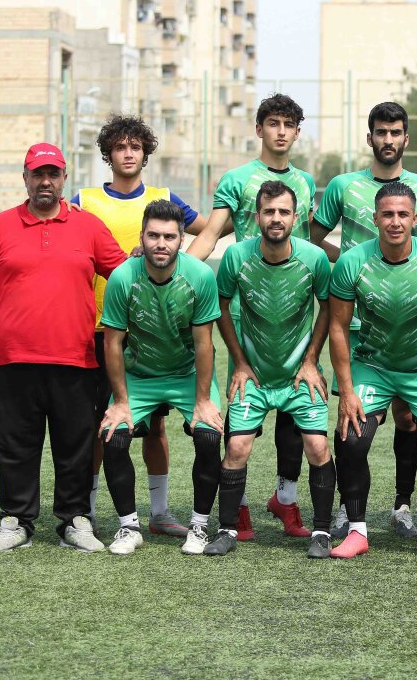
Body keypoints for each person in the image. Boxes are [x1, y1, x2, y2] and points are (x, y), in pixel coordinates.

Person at [0, 143, 128, 552]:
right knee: (14, 446)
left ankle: (74, 520)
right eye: (37, 174)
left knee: (75, 445)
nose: (45, 181)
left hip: (76, 358)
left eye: (53, 174)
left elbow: (123, 275)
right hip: (14, 359)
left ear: (64, 178)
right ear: (25, 178)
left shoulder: (89, 226)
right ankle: (16, 520)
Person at [312, 102, 417, 540]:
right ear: (370, 137)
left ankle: (402, 504)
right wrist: (348, 263)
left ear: (406, 138)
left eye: (395, 132)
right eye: (381, 132)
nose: (388, 139)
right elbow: (314, 238)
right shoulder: (343, 185)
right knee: (352, 422)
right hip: (357, 326)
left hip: (411, 325)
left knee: (409, 419)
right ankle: (345, 510)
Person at [189, 93, 317, 540]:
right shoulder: (237, 179)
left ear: (297, 132)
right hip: (248, 315)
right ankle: (238, 506)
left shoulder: (305, 182)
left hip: (295, 313)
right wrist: (180, 270)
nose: (280, 131)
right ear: (259, 129)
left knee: (295, 414)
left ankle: (285, 499)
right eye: (273, 123)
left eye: (288, 124)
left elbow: (310, 243)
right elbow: (211, 233)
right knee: (244, 410)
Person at [74, 114, 204, 539]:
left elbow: (209, 229)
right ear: (108, 154)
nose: (128, 153)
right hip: (98, 327)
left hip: (153, 329)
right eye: (120, 147)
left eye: (135, 147)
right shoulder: (85, 199)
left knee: (155, 425)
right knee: (104, 422)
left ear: (145, 154)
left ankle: (160, 512)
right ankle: (88, 511)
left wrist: (183, 269)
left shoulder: (164, 198)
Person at [328, 181, 417, 561]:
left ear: (415, 218)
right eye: (387, 214)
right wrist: (347, 392)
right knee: (351, 439)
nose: (395, 221)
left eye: (403, 214)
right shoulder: (352, 262)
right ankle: (357, 531)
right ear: (374, 218)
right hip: (373, 365)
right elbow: (338, 327)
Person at [207, 181, 336, 559]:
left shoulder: (314, 258)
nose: (276, 218)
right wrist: (239, 362)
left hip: (299, 376)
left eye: (283, 212)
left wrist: (311, 360)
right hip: (254, 376)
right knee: (236, 446)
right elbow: (221, 305)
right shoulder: (236, 256)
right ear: (257, 216)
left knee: (317, 446)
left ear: (296, 218)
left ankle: (322, 533)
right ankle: (228, 529)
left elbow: (328, 307)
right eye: (269, 211)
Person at [97, 200, 225, 555]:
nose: (161, 243)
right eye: (153, 235)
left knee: (209, 435)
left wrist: (203, 400)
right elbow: (113, 343)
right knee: (113, 437)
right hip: (139, 374)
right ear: (142, 237)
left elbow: (204, 344)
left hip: (187, 374)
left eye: (169, 236)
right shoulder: (123, 277)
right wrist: (120, 402)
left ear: (182, 239)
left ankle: (199, 526)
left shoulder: (199, 276)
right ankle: (128, 527)